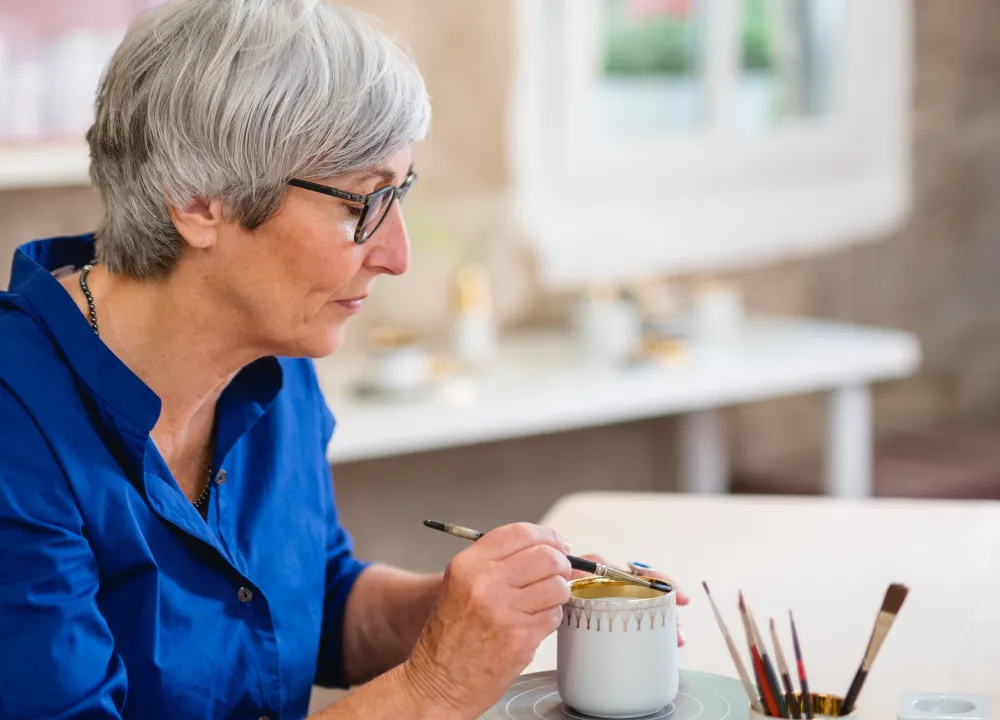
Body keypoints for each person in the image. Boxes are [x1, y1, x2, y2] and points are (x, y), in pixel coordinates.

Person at [0, 1, 687, 718]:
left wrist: (485, 608)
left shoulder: (274, 351)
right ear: (196, 200)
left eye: (400, 195)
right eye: (361, 203)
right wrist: (436, 686)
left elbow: (317, 604)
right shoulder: (15, 423)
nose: (397, 255)